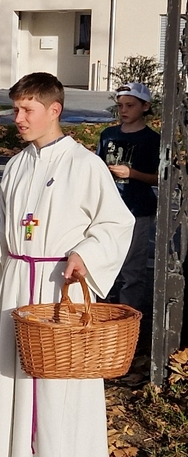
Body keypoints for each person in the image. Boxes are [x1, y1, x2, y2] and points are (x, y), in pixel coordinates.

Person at [0, 72, 134, 457]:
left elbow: (116, 224)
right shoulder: (16, 165)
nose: (18, 118)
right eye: (16, 109)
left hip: (58, 290)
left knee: (59, 396)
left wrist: (86, 254)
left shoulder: (84, 165)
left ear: (54, 110)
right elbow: (9, 228)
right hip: (18, 286)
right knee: (10, 384)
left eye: (27, 109)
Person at [96, 82, 160, 348]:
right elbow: (97, 167)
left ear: (145, 107)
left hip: (137, 210)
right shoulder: (108, 134)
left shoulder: (152, 140)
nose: (124, 110)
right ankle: (101, 319)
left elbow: (159, 177)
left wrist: (131, 173)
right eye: (120, 105)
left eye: (130, 105)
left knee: (132, 271)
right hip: (107, 210)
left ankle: (127, 328)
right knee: (104, 264)